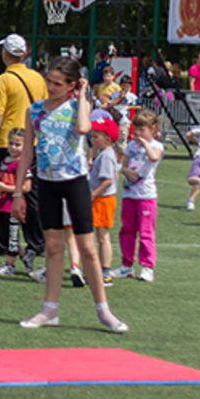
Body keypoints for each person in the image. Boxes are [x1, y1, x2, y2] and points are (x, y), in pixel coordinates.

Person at [11, 56, 127, 333]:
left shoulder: (79, 106)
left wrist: (83, 94)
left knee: (87, 247)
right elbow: (27, 151)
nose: (51, 87)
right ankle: (49, 309)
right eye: (49, 81)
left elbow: (84, 129)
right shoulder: (35, 110)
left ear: (71, 85)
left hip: (75, 182)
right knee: (53, 246)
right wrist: (17, 192)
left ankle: (104, 310)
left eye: (58, 83)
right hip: (46, 183)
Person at [0, 33, 47, 263]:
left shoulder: (4, 80)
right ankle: (36, 241)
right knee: (30, 193)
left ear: (5, 54)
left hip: (8, 142)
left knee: (4, 192)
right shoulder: (37, 78)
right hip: (31, 141)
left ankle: (4, 241)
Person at [113, 109, 164, 282]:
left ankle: (147, 266)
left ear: (153, 129)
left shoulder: (157, 146)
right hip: (129, 193)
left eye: (143, 129)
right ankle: (126, 265)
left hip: (146, 196)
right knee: (127, 230)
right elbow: (122, 165)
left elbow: (154, 157)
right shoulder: (130, 146)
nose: (138, 133)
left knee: (146, 232)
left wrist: (145, 143)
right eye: (137, 129)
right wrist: (126, 171)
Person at [0, 128, 33, 276]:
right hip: (2, 203)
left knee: (11, 234)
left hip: (13, 204)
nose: (13, 147)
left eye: (18, 144)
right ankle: (25, 255)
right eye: (11, 143)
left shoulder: (22, 163)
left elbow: (26, 187)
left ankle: (9, 265)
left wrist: (4, 187)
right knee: (2, 235)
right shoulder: (5, 160)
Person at [88, 117, 119, 285]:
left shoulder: (107, 155)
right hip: (100, 198)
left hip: (103, 199)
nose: (93, 140)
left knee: (102, 236)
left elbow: (107, 180)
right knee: (98, 235)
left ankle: (105, 271)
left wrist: (93, 194)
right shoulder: (103, 154)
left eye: (96, 137)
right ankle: (99, 269)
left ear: (107, 139)